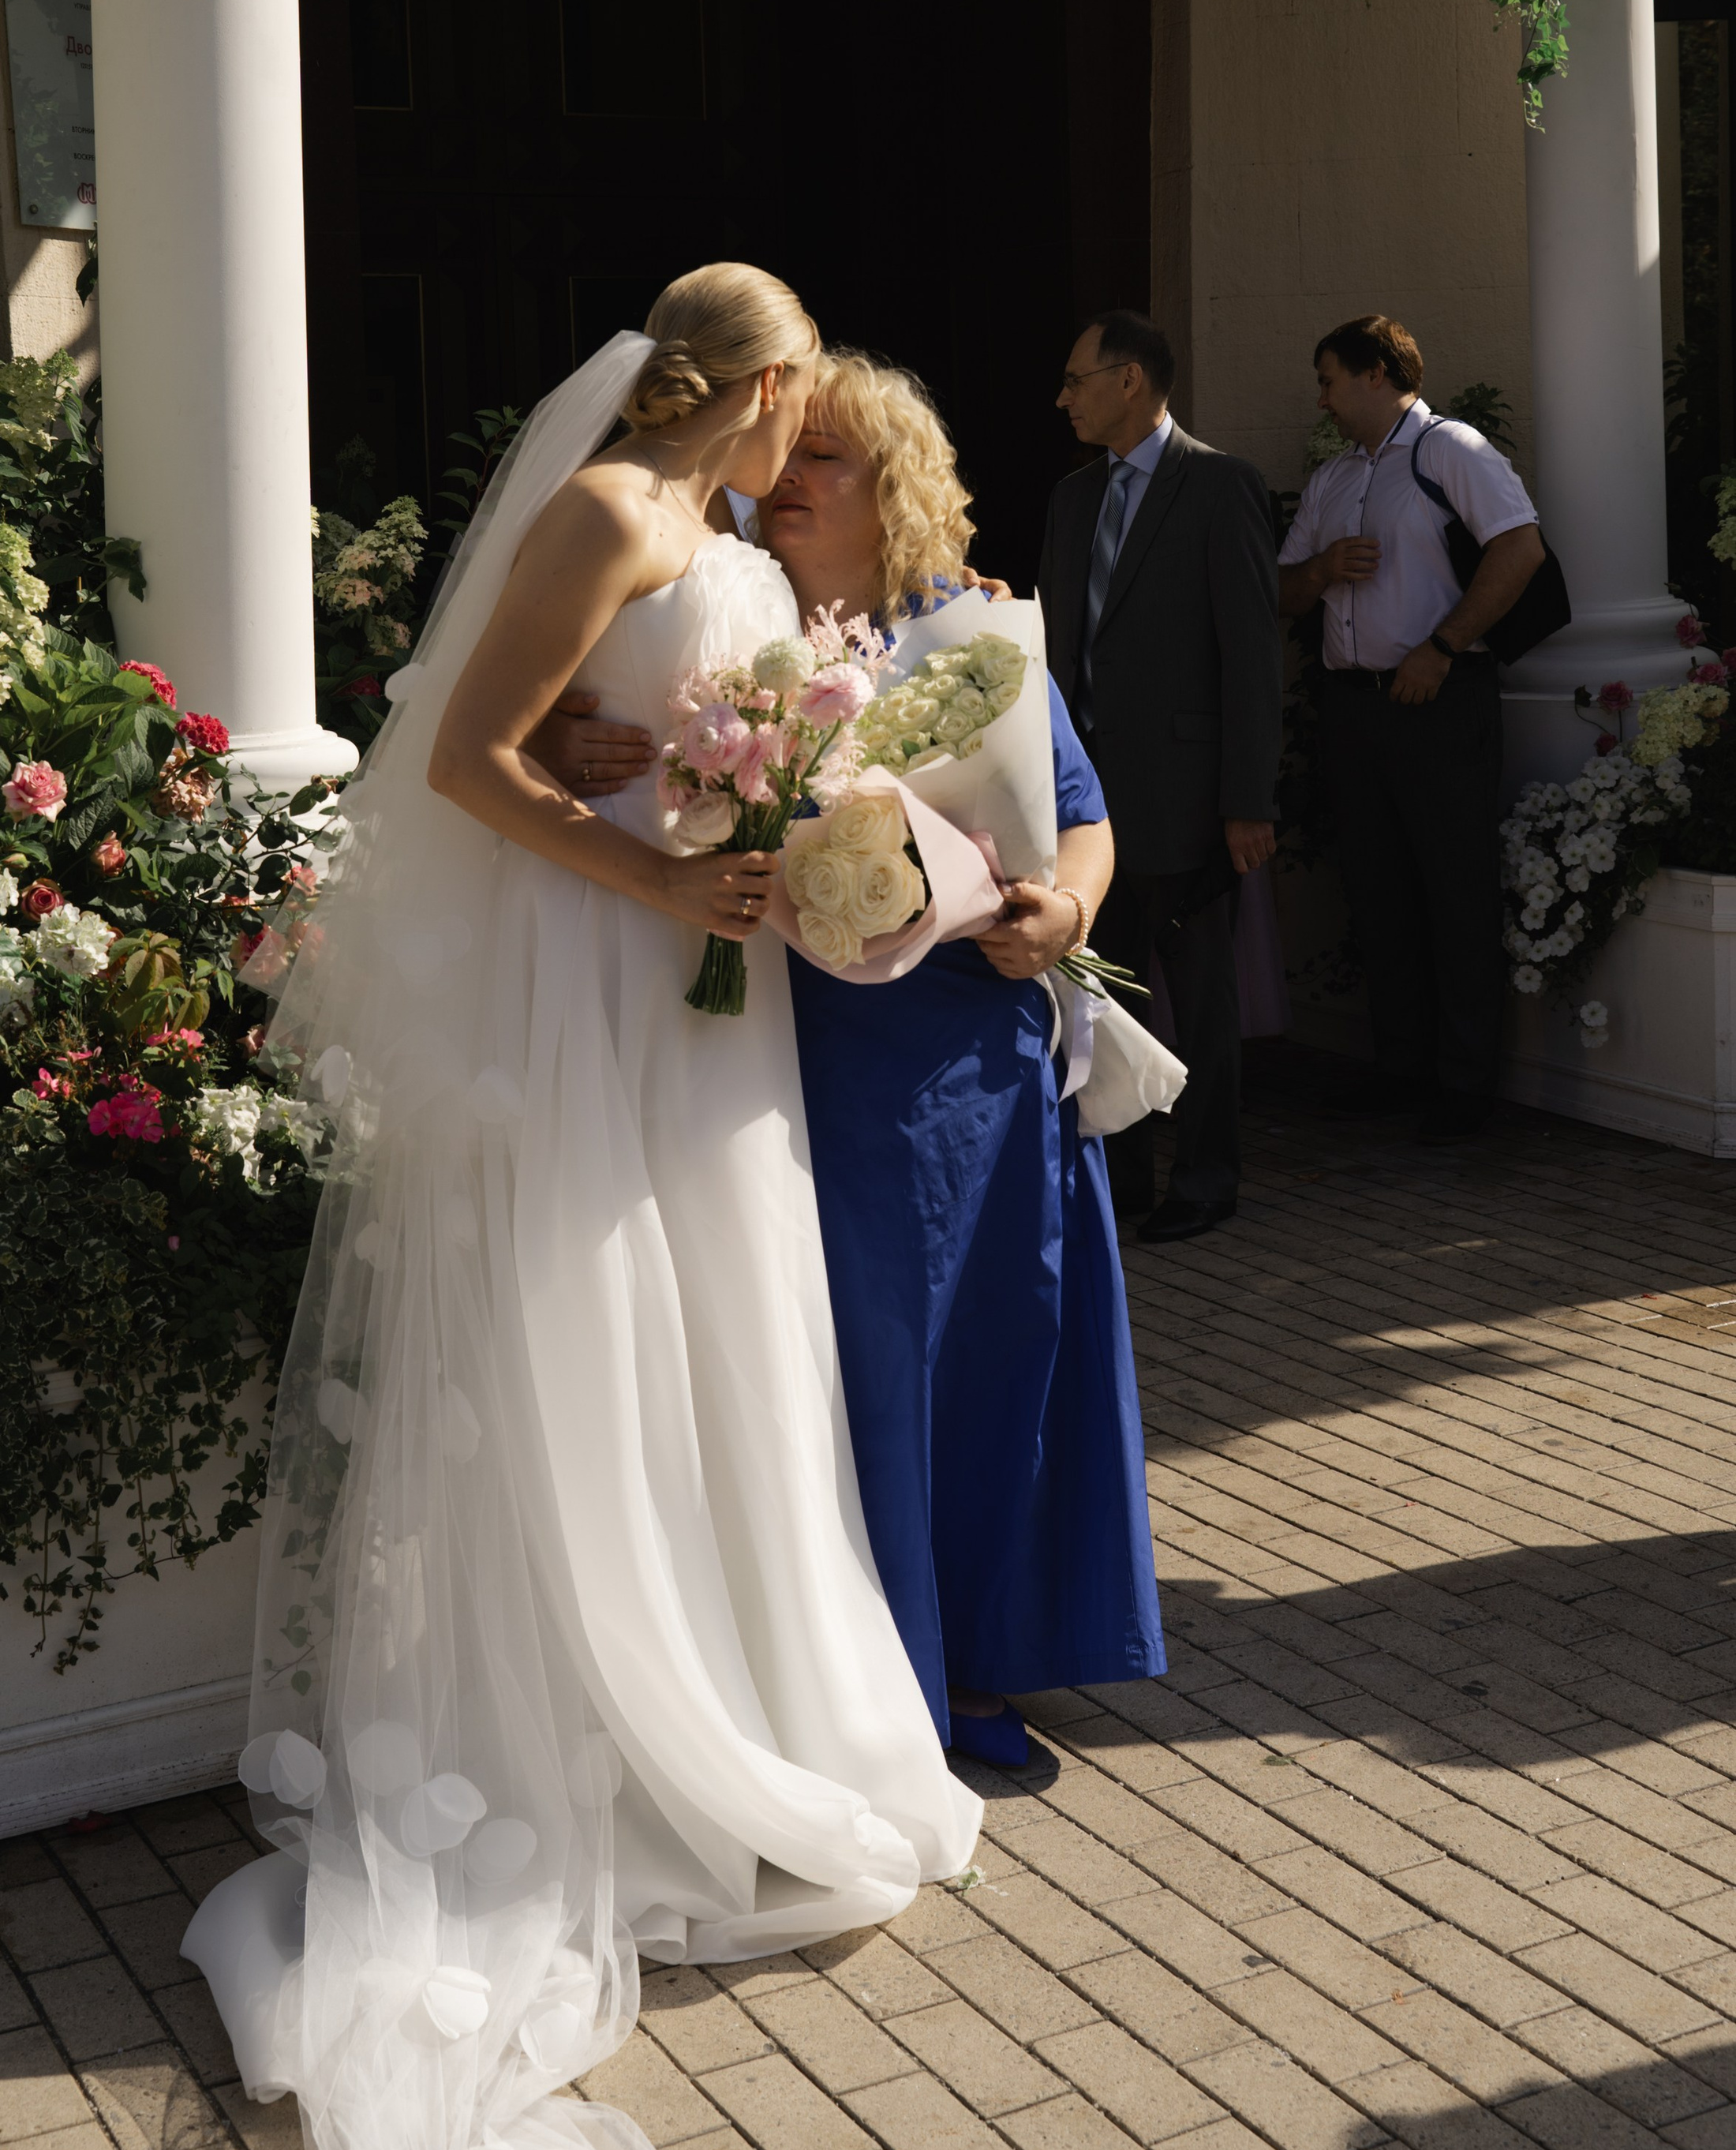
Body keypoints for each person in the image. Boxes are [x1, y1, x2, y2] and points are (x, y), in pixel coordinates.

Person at [182, 267, 982, 2150]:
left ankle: (743, 1706)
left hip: (699, 980)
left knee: (721, 1319)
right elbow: (466, 757)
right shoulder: (608, 509)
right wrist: (656, 862)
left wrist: (786, 818)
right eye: (806, 393)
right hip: (604, 971)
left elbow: (605, 737)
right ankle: (608, 1746)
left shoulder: (700, 531)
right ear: (770, 382)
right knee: (601, 1310)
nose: (809, 430)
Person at [539, 356, 1165, 1778]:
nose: (791, 475)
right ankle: (871, 1675)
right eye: (791, 449)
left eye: (829, 457)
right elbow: (591, 738)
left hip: (979, 1050)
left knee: (997, 1351)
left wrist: (1063, 911)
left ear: (896, 489)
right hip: (791, 1048)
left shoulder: (974, 634)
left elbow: (1083, 818)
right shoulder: (721, 623)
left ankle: (987, 1655)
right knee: (849, 1366)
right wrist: (582, 741)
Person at [1034, 310, 1281, 1246]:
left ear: (1128, 379)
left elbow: (1251, 658)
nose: (1062, 397)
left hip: (1187, 796)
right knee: (1102, 993)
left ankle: (1208, 1175)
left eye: (1075, 378)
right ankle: (1125, 1172)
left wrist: (1245, 801)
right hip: (1086, 798)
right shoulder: (1068, 498)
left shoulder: (1219, 487)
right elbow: (1057, 651)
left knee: (1203, 1000)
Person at [1279, 313, 1543, 1141]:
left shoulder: (1448, 450)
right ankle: (1400, 1069)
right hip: (1353, 706)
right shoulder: (1331, 480)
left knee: (1453, 888)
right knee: (1377, 888)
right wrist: (1321, 571)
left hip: (1436, 699)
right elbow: (1281, 591)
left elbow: (1521, 549)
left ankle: (1465, 1087)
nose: (1320, 399)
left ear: (1374, 375)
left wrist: (1443, 646)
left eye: (1328, 380)